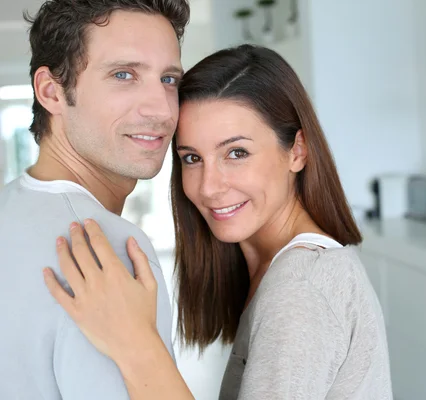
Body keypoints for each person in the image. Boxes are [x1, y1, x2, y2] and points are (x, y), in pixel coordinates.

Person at [44, 44, 394, 399]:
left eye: (236, 153)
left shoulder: (301, 288)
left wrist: (135, 343)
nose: (209, 187)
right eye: (192, 158)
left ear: (297, 151)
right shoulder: (279, 270)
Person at [0, 0, 190, 398]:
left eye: (169, 79)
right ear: (51, 92)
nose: (161, 108)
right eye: (124, 75)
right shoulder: (109, 252)